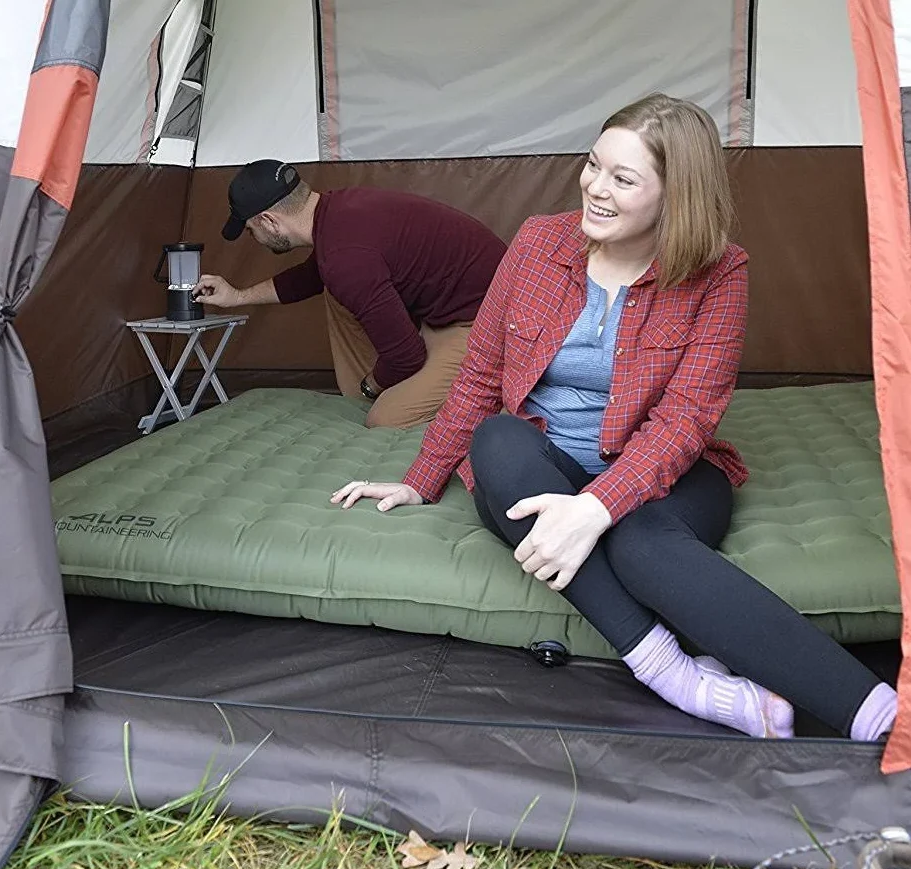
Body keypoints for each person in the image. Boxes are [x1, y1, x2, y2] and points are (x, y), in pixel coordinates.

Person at [329, 93, 897, 742]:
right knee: (496, 441)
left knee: (640, 545)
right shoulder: (539, 243)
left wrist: (595, 506)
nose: (595, 188)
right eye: (593, 165)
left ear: (674, 194)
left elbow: (686, 418)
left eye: (622, 178)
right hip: (540, 465)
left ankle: (878, 713)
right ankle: (674, 674)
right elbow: (481, 374)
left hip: (661, 471)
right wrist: (420, 477)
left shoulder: (720, 272)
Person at [192, 160, 508, 428]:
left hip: (487, 327)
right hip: (447, 313)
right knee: (334, 289)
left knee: (386, 419)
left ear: (269, 221)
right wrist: (237, 296)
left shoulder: (345, 258)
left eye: (250, 230)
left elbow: (406, 357)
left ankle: (491, 394)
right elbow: (309, 277)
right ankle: (387, 391)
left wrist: (371, 386)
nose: (255, 238)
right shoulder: (338, 210)